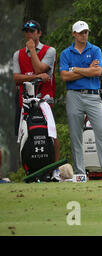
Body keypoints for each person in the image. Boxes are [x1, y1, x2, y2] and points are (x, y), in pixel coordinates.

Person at [60, 20, 102, 181]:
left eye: (86, 32)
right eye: (81, 32)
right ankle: (80, 174)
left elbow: (97, 72)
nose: (84, 35)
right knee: (76, 136)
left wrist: (75, 69)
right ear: (74, 34)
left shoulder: (95, 50)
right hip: (73, 95)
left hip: (93, 95)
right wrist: (87, 70)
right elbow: (64, 76)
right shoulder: (66, 53)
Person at [13, 20, 60, 161]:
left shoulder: (50, 51)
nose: (29, 34)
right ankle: (28, 167)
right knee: (23, 134)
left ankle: (54, 168)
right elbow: (16, 78)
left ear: (39, 33)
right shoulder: (18, 54)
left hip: (45, 99)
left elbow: (40, 68)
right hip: (25, 100)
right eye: (26, 31)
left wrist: (32, 50)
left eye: (32, 31)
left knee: (51, 133)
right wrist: (36, 77)